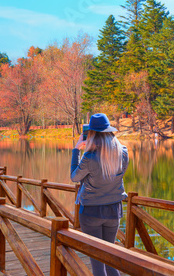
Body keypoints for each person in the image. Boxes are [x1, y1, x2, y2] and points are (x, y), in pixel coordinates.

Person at [70, 113, 129, 276]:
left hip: (91, 212)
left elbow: (74, 177)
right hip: (113, 211)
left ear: (92, 134)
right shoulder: (123, 152)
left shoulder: (89, 156)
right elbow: (119, 176)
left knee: (97, 263)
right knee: (110, 260)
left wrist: (76, 150)